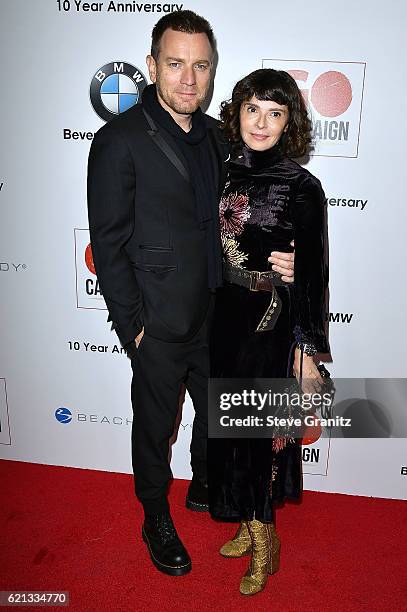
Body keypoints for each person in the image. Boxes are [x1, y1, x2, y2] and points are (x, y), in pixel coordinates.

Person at [87, 11, 295, 577]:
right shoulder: (118, 141)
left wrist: (291, 250)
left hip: (218, 313)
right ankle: (154, 513)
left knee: (217, 415)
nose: (188, 79)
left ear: (212, 71)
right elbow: (108, 243)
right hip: (156, 320)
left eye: (200, 66)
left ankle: (205, 483)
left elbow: (251, 213)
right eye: (175, 64)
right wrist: (132, 324)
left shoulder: (218, 137)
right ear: (152, 67)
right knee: (154, 426)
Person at [208, 69, 330, 595]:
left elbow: (316, 273)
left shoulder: (302, 186)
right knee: (227, 429)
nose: (262, 123)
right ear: (237, 112)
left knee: (257, 436)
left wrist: (305, 347)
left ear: (289, 123)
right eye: (253, 109)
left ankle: (265, 544)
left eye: (275, 113)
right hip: (221, 315)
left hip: (268, 319)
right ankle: (243, 520)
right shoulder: (219, 170)